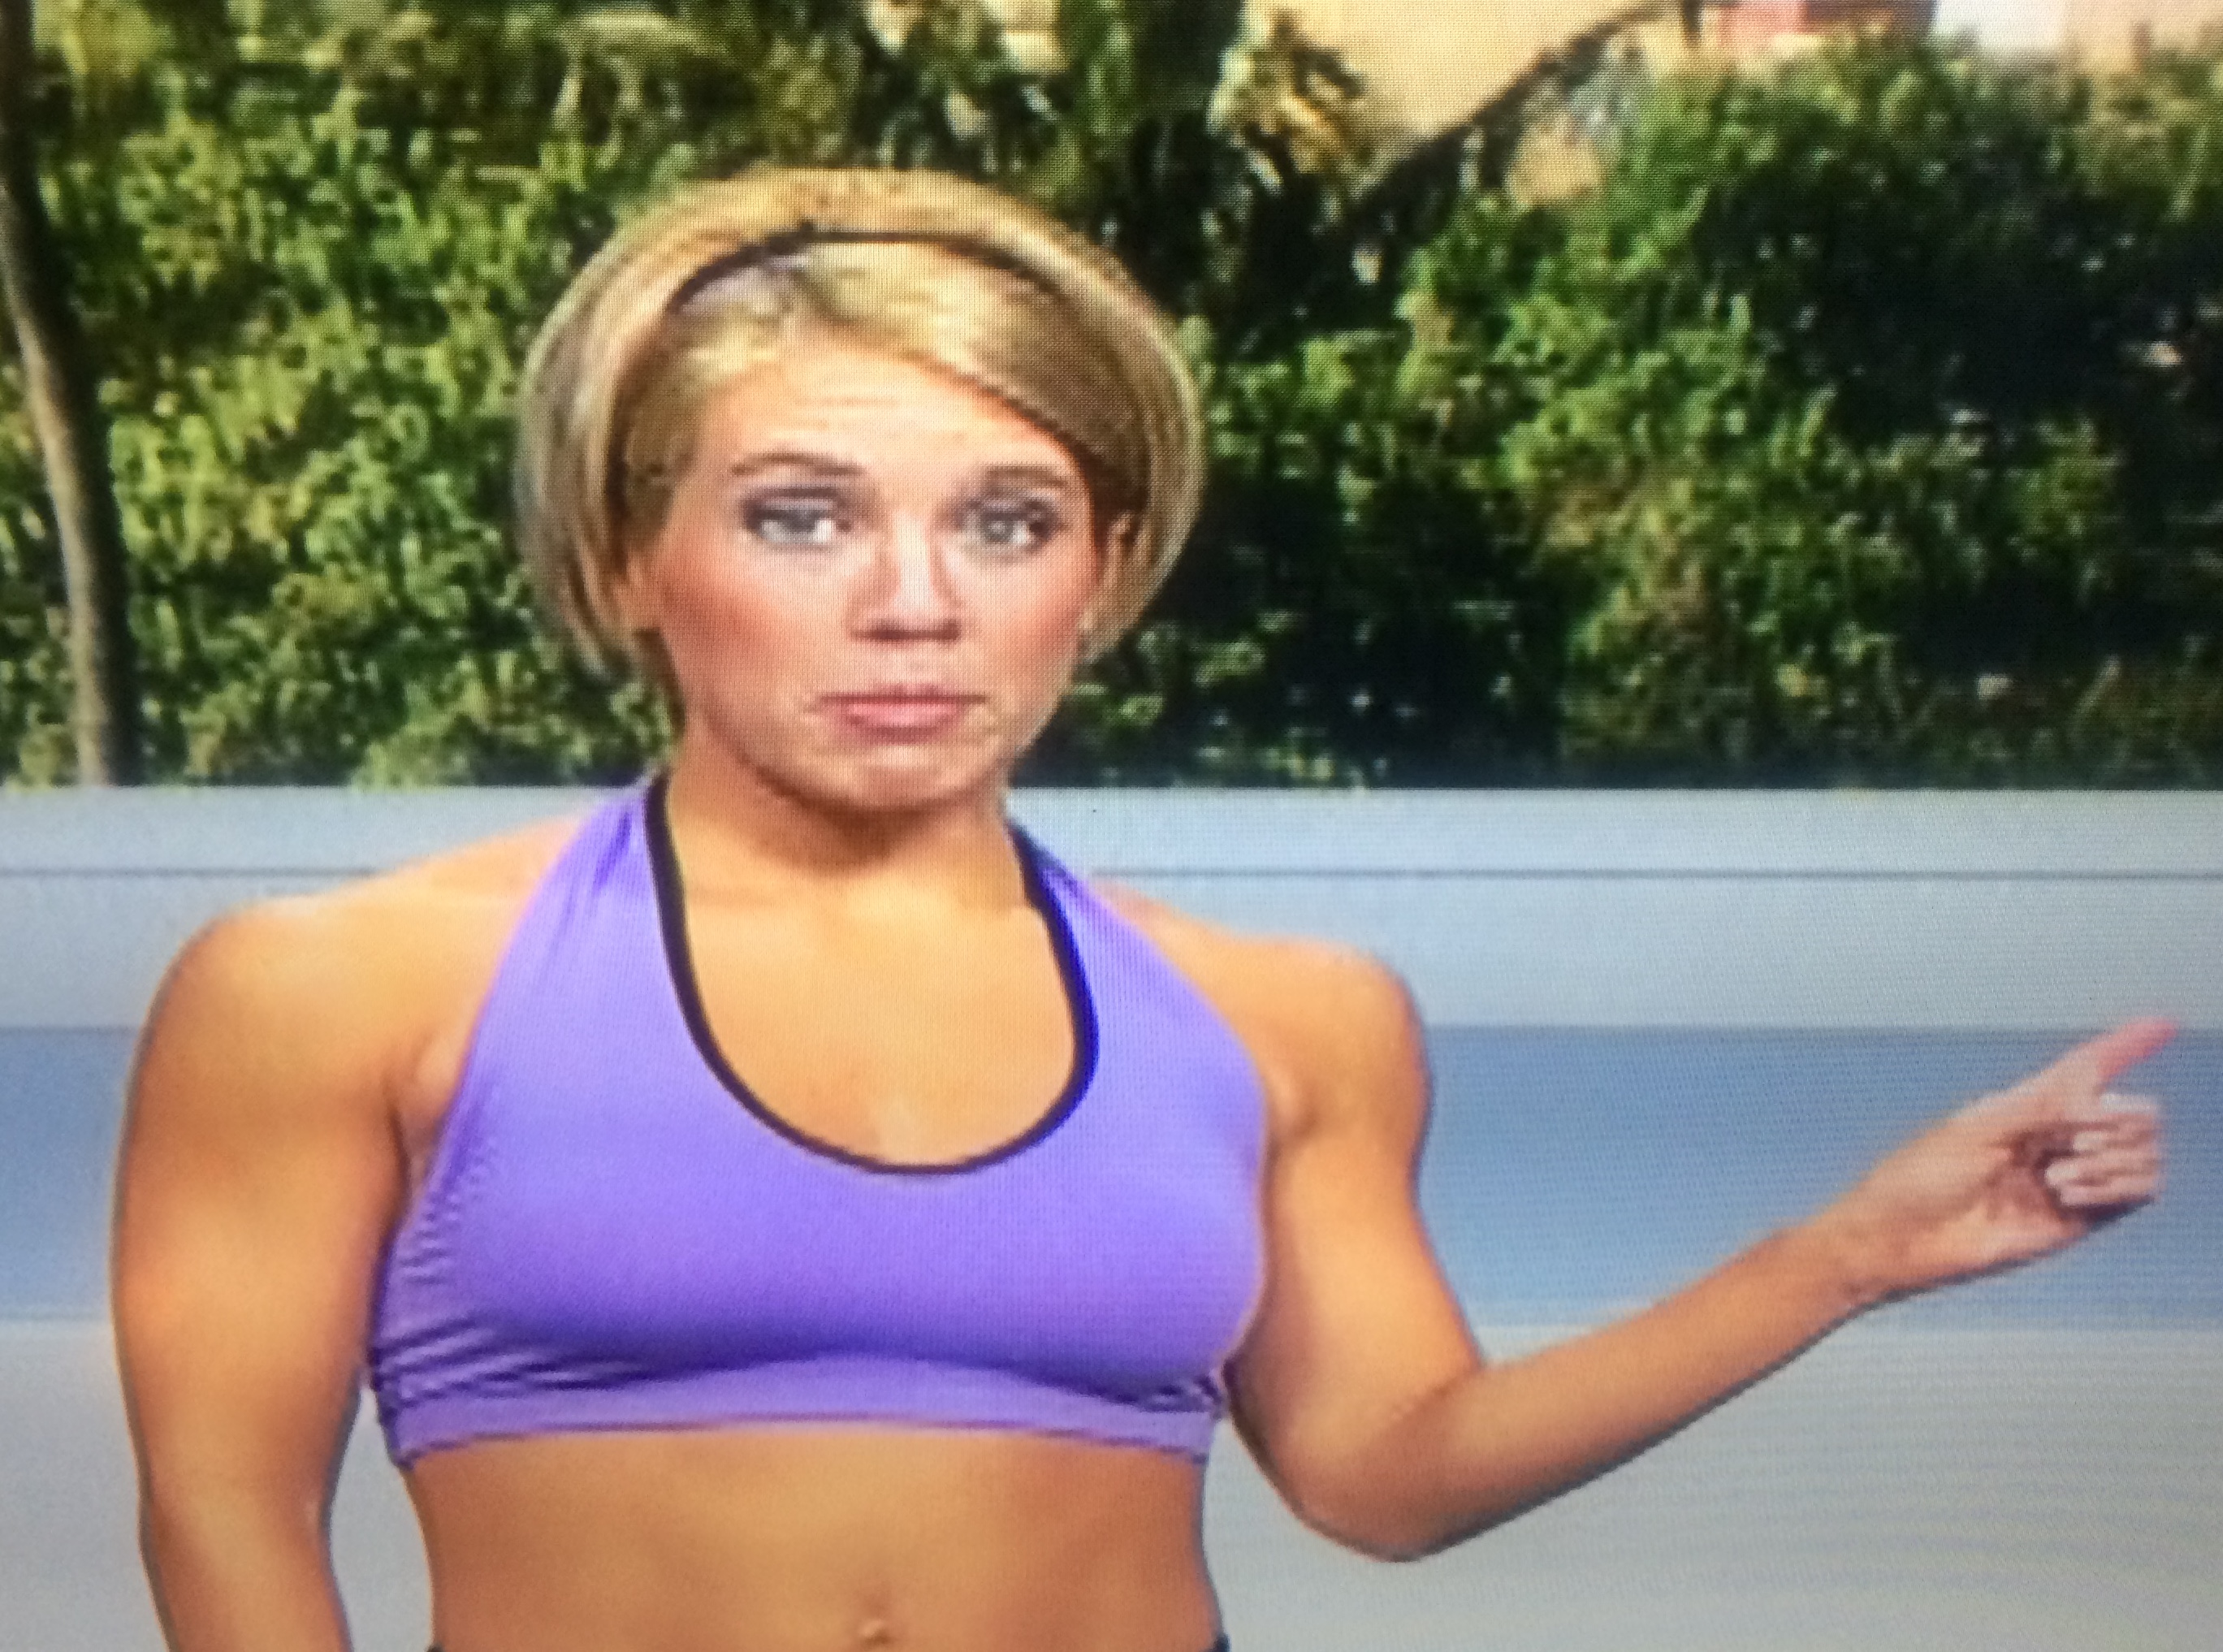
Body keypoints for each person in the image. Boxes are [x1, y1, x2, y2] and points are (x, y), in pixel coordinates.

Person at [110, 168, 2171, 1652]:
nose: (913, 603)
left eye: (1005, 524)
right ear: (628, 556)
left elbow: (1385, 1474)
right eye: (802, 515)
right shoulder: (342, 989)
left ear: (1098, 574)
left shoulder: (1287, 1020)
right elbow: (224, 1516)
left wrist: (1841, 1257)